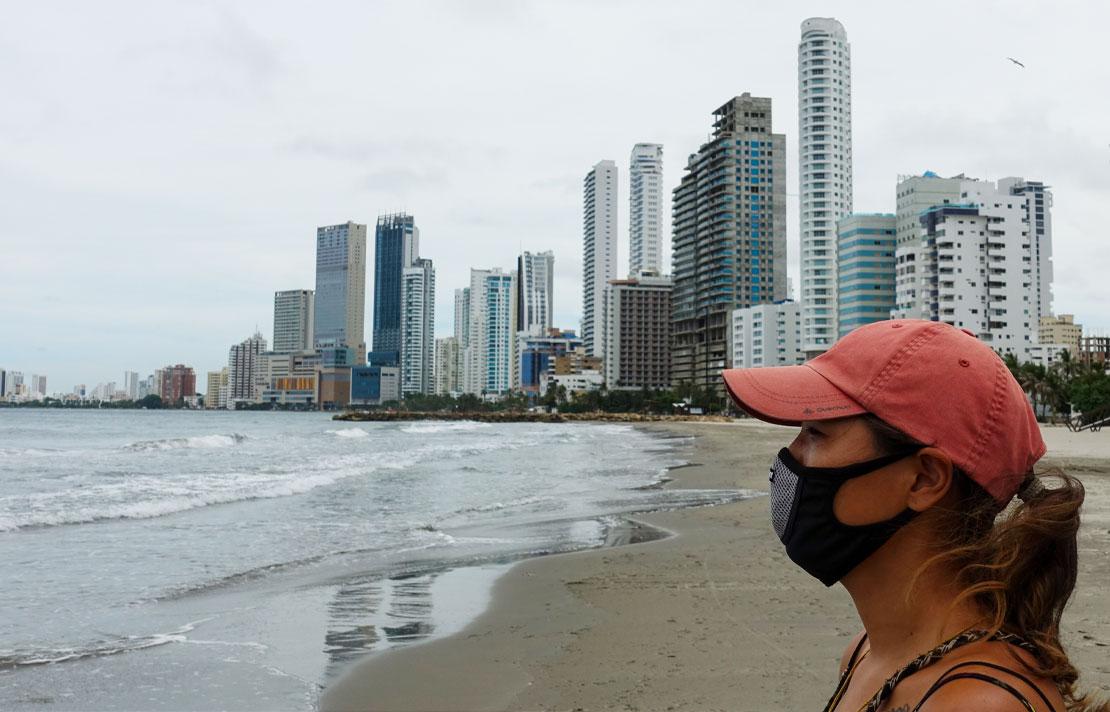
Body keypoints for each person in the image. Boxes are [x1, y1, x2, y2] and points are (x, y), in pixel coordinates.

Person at [720, 319, 1106, 712]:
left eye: (816, 433)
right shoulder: (865, 654)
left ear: (923, 479)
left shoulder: (979, 703)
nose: (790, 455)